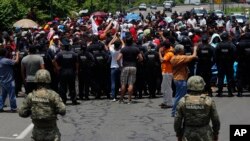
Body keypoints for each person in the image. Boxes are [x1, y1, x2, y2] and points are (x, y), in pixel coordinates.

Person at [19, 69, 66, 141]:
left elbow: (22, 112)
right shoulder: (53, 95)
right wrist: (54, 110)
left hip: (37, 132)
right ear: (48, 79)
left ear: (36, 80)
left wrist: (31, 111)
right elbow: (62, 110)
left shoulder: (31, 95)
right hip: (51, 132)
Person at [174, 76, 220, 141]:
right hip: (205, 134)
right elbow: (215, 119)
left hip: (188, 134)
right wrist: (216, 133)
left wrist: (178, 134)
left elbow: (177, 120)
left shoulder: (183, 101)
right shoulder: (209, 101)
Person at [170, 44, 197, 117]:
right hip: (180, 79)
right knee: (179, 96)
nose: (184, 50)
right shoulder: (180, 58)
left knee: (179, 96)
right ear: (180, 50)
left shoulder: (173, 58)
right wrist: (195, 48)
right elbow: (193, 56)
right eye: (183, 49)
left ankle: (179, 111)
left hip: (177, 78)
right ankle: (174, 111)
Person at [117, 35, 143, 104]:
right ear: (132, 41)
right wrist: (136, 61)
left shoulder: (123, 49)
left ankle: (121, 99)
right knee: (131, 83)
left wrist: (120, 66)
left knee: (123, 83)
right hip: (133, 66)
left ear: (125, 41)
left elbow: (118, 59)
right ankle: (129, 99)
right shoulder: (136, 49)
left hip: (125, 66)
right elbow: (141, 58)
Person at [55, 39, 79, 105]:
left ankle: (63, 100)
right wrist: (76, 70)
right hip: (71, 71)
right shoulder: (74, 54)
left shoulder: (60, 54)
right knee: (72, 86)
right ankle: (74, 100)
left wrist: (57, 68)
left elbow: (54, 61)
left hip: (63, 71)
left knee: (63, 86)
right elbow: (77, 63)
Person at [215, 32, 236, 97]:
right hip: (229, 64)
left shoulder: (218, 45)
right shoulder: (231, 45)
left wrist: (218, 62)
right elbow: (234, 54)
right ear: (227, 37)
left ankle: (220, 92)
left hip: (221, 64)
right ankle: (230, 92)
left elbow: (216, 55)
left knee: (220, 77)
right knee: (229, 77)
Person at [0, 48, 19, 112]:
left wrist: (13, 58)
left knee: (3, 95)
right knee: (12, 95)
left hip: (2, 80)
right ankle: (13, 108)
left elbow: (11, 62)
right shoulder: (6, 60)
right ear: (5, 53)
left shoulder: (3, 60)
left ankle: (0, 107)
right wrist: (17, 54)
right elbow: (16, 62)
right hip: (9, 81)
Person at [158, 41, 174, 108]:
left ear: (164, 47)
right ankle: (165, 101)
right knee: (164, 87)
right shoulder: (168, 51)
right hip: (166, 72)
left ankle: (169, 103)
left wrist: (159, 52)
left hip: (168, 72)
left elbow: (162, 60)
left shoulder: (169, 53)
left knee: (168, 88)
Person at [236, 32, 250, 97]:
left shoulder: (240, 44)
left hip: (241, 63)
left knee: (240, 77)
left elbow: (236, 54)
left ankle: (239, 92)